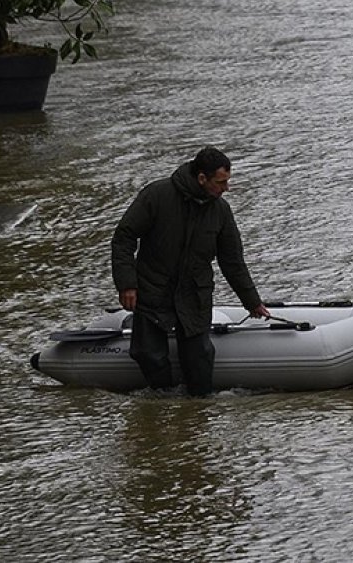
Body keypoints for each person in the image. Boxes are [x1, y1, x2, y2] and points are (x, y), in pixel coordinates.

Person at [111, 147, 270, 396]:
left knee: (200, 359)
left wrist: (252, 302)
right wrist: (126, 284)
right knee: (148, 354)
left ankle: (196, 417)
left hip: (194, 294)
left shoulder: (221, 211)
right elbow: (124, 238)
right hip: (153, 290)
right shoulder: (157, 195)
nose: (226, 188)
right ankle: (162, 402)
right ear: (202, 178)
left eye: (227, 181)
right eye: (221, 182)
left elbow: (233, 262)